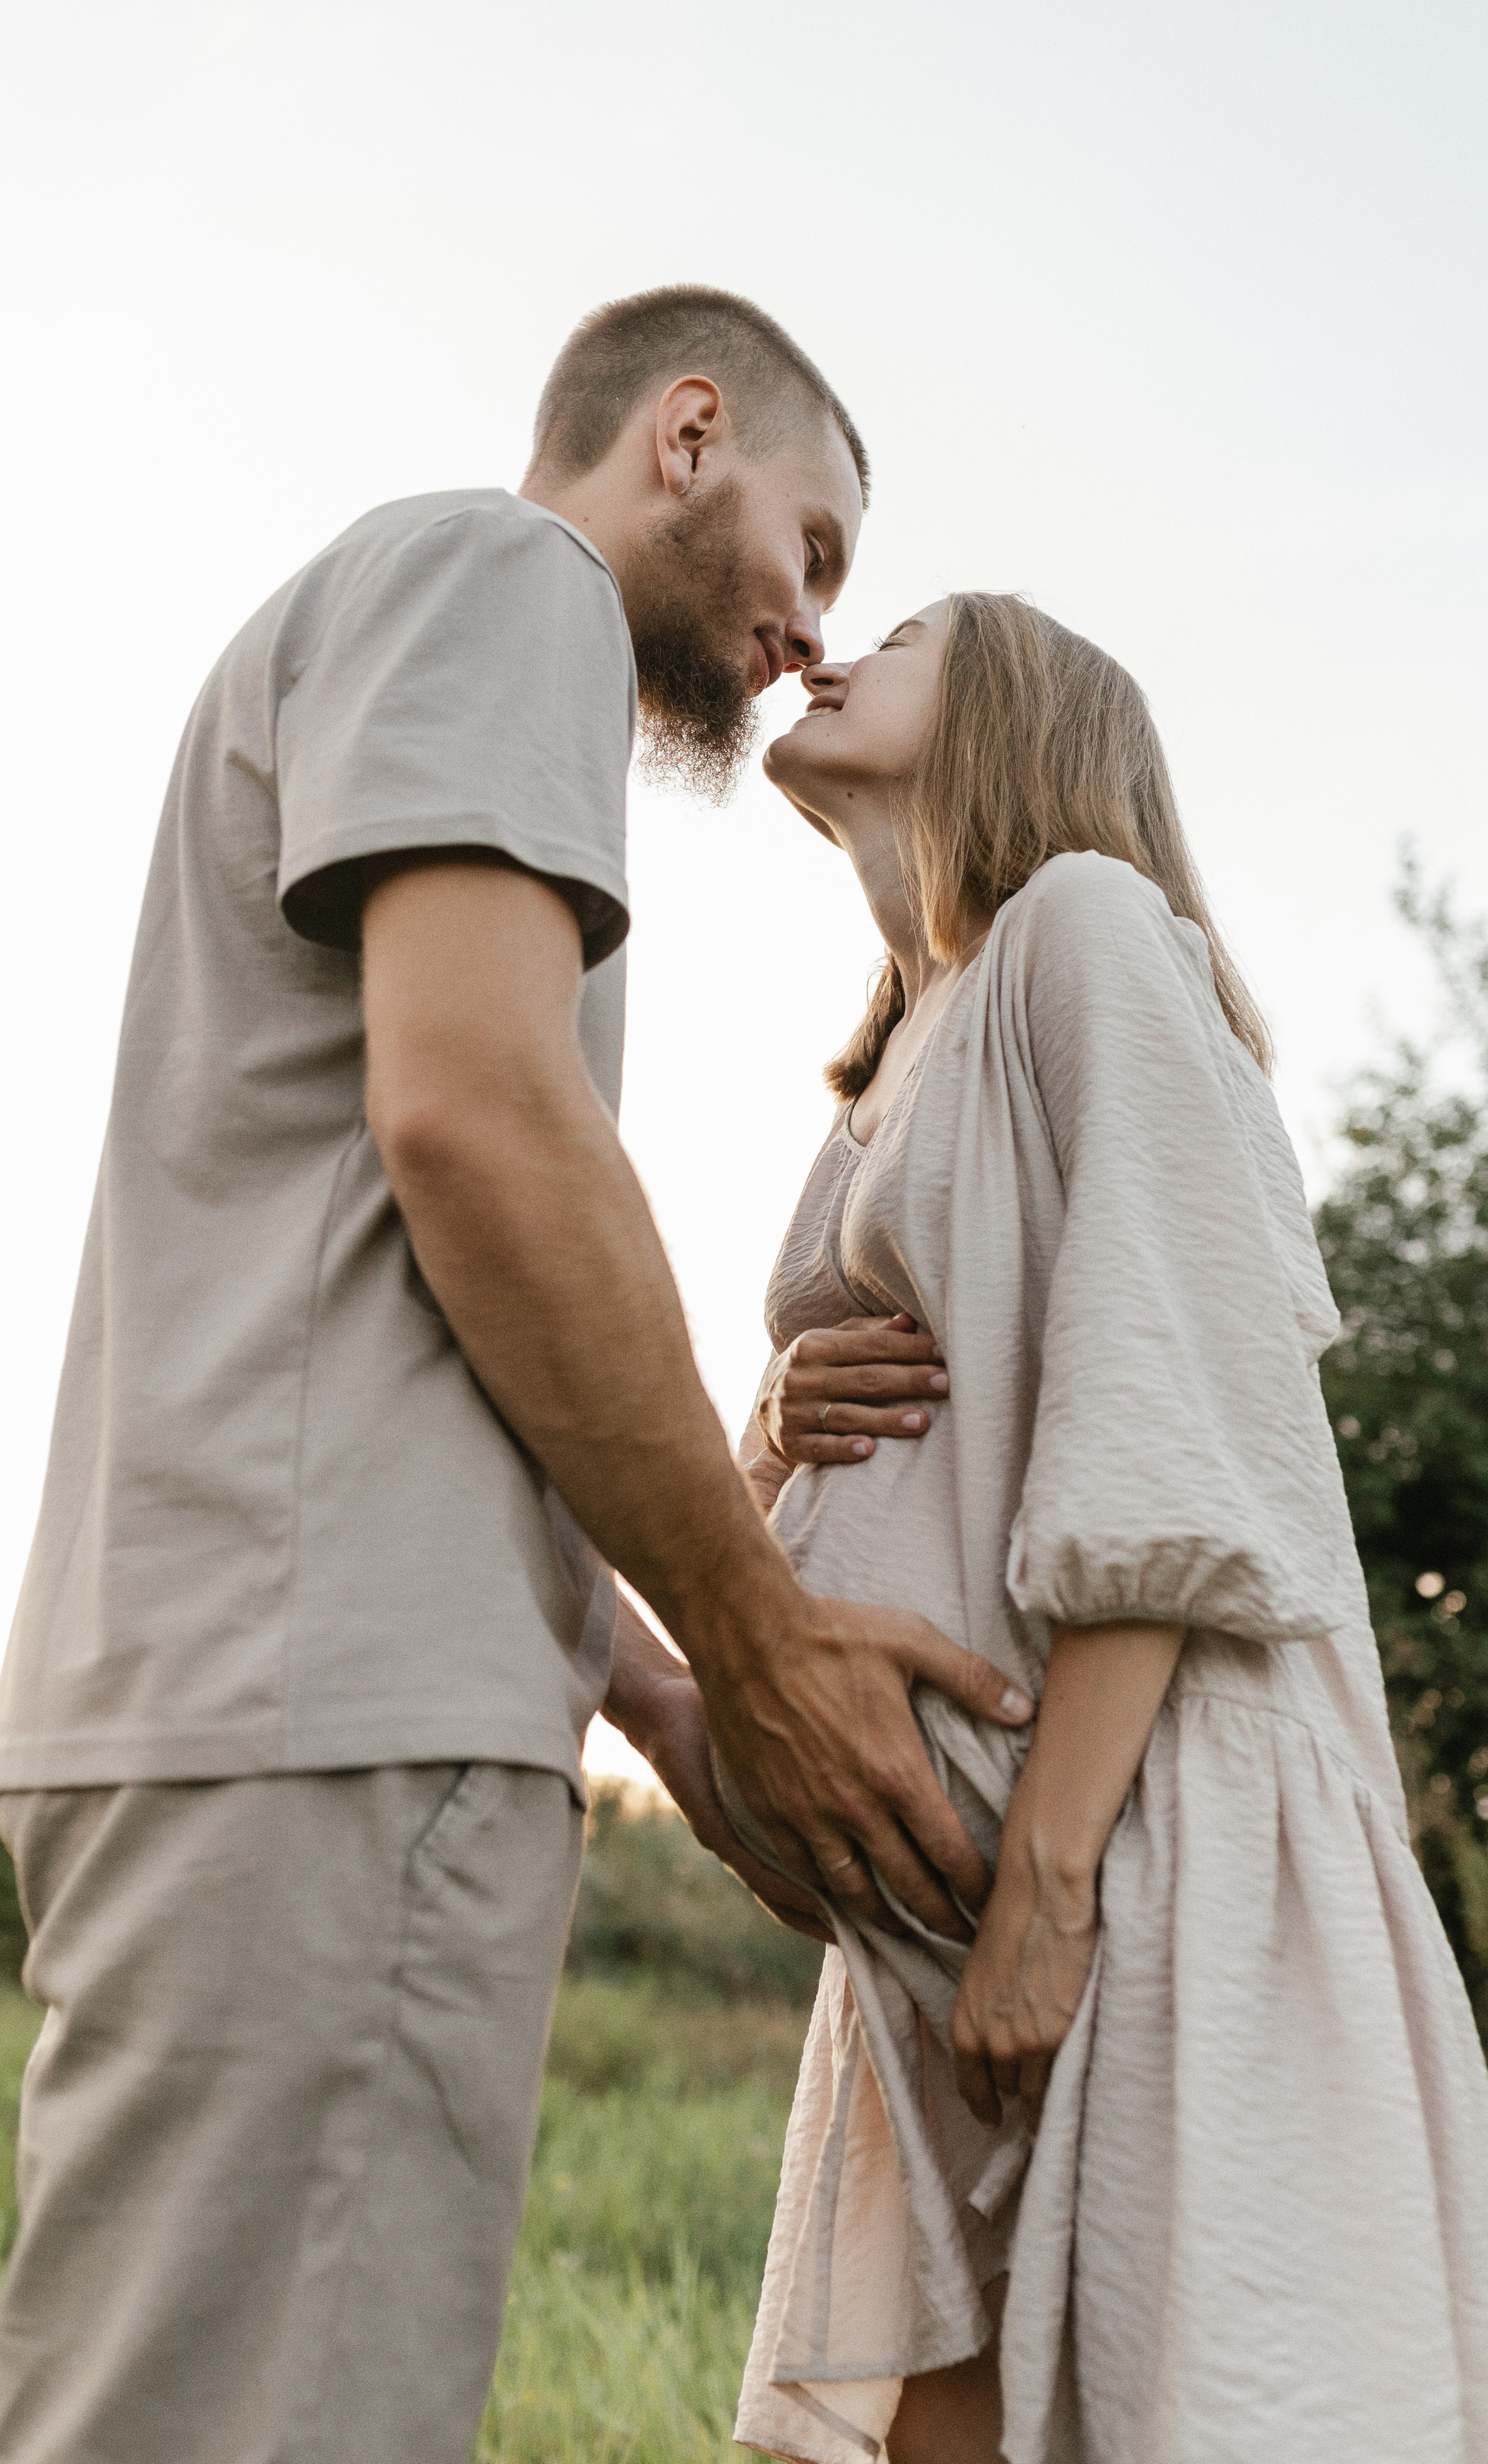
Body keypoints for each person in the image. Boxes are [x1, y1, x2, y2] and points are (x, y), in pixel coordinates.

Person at [0, 289, 1032, 2464]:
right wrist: (761, 1644)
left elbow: (425, 1305)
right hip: (329, 1707)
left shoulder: (429, 633)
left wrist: (659, 1693)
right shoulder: (506, 579)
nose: (805, 635)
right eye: (814, 548)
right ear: (685, 434)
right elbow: (475, 1120)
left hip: (272, 1694)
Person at [721, 595, 1488, 2464]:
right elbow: (841, 1439)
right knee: (949, 2431)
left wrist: (1051, 1889)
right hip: (955, 1910)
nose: (834, 643)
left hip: (1138, 1837)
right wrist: (769, 1415)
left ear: (1015, 708)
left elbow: (1174, 1394)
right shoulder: (893, 1061)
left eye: (906, 631)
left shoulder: (1080, 926)